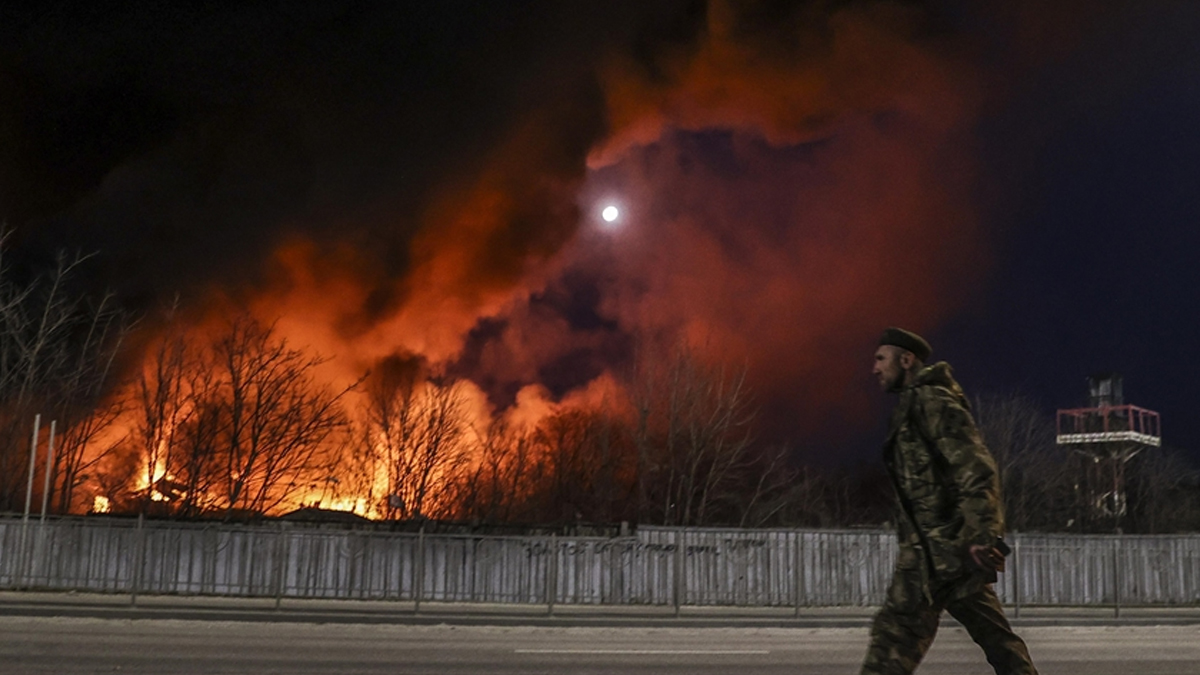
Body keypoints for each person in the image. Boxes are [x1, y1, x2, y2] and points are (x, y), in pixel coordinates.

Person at [861, 327, 1038, 675]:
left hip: (943, 553)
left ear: (906, 360)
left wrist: (983, 535)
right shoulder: (912, 406)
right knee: (996, 642)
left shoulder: (932, 401)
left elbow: (977, 468)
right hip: (939, 554)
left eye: (881, 359)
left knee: (894, 641)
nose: (875, 369)